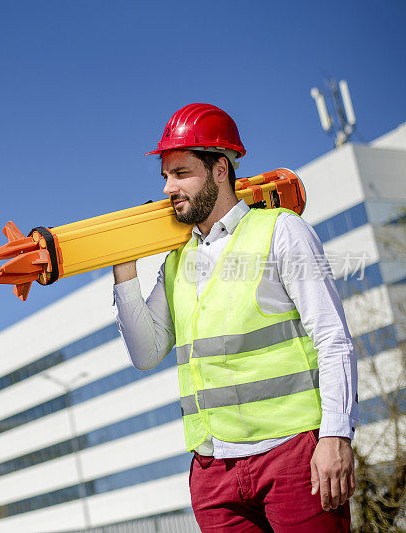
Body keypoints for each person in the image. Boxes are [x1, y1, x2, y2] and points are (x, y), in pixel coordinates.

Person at [112, 103, 358, 531]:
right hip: (214, 475)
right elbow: (146, 353)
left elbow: (333, 338)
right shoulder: (177, 261)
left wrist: (336, 435)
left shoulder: (280, 231)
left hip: (293, 456)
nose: (169, 187)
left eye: (182, 173)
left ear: (220, 170)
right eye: (165, 176)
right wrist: (123, 271)